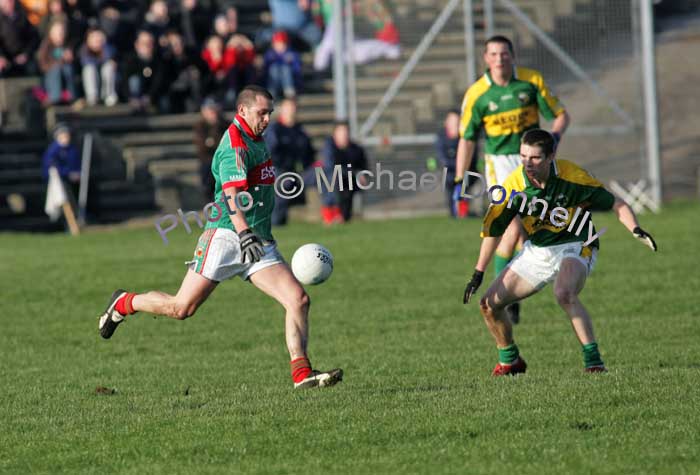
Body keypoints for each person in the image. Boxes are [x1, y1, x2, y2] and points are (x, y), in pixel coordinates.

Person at [97, 85, 343, 390]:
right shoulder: (235, 145)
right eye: (261, 112)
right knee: (181, 308)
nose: (267, 118)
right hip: (227, 237)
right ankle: (125, 302)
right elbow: (231, 196)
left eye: (270, 112)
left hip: (257, 240)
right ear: (242, 111)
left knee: (298, 299)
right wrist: (243, 234)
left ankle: (301, 373)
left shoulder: (256, 137)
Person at [462, 129, 658, 376]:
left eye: (534, 158)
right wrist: (478, 273)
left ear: (551, 156)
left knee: (564, 293)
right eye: (523, 156)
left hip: (576, 244)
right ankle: (510, 360)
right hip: (539, 250)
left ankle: (594, 363)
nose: (527, 164)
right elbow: (493, 230)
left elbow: (616, 203)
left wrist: (636, 229)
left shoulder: (571, 176)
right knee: (489, 305)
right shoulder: (514, 185)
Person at [455, 35, 571, 324]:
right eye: (493, 54)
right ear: (486, 58)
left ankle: (506, 296)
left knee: (519, 233)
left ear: (513, 55)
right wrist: (460, 176)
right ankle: (505, 298)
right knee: (512, 228)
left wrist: (552, 139)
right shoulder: (477, 94)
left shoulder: (531, 82)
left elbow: (560, 115)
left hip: (531, 162)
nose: (499, 59)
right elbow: (467, 139)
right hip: (499, 166)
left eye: (504, 53)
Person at [264, 97, 315, 225]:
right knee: (284, 183)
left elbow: (309, 154)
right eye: (288, 109)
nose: (292, 112)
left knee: (323, 176)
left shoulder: (300, 131)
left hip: (299, 172)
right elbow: (270, 155)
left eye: (294, 108)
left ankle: (332, 216)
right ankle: (277, 223)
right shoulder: (275, 130)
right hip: (278, 171)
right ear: (282, 111)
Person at [322, 121, 368, 223]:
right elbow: (330, 167)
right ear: (335, 134)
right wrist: (353, 173)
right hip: (329, 178)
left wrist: (361, 174)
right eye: (341, 133)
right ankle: (330, 216)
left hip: (349, 180)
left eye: (346, 133)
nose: (344, 136)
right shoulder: (329, 147)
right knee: (333, 180)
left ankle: (343, 217)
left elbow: (364, 167)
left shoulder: (355, 149)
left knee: (347, 187)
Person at [435, 109, 477, 218]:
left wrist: (462, 168)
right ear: (446, 123)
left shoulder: (465, 137)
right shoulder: (441, 137)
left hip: (466, 172)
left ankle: (464, 212)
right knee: (449, 183)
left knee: (465, 184)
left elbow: (472, 157)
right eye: (452, 121)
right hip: (449, 172)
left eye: (457, 122)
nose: (455, 124)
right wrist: (456, 164)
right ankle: (453, 212)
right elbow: (441, 157)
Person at [193, 96, 227, 199]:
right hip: (208, 163)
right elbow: (203, 147)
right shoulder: (200, 126)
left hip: (225, 163)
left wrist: (212, 141)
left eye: (215, 109)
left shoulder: (226, 125)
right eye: (210, 110)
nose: (214, 112)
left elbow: (227, 145)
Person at [36, 20, 76, 105]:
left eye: (62, 33)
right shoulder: (46, 45)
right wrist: (59, 61)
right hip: (50, 72)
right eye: (58, 33)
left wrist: (70, 58)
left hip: (64, 71)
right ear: (51, 34)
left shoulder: (67, 45)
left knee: (68, 69)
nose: (60, 35)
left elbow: (72, 60)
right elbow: (42, 62)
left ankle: (70, 95)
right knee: (56, 70)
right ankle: (54, 96)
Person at [79, 27, 118, 106]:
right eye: (93, 37)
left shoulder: (108, 48)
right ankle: (92, 97)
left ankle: (109, 95)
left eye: (99, 37)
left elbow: (110, 57)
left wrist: (102, 47)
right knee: (89, 69)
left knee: (109, 67)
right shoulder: (84, 49)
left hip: (106, 75)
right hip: (93, 76)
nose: (96, 40)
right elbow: (86, 62)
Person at [41, 122, 80, 198]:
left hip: (73, 182)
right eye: (63, 136)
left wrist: (77, 173)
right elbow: (51, 168)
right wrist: (68, 173)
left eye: (67, 136)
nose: (65, 138)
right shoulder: (53, 151)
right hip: (59, 181)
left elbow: (76, 163)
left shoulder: (72, 149)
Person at [263, 30, 301, 99]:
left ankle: (289, 90)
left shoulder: (292, 54)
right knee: (274, 68)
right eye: (277, 44)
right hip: (273, 81)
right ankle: (271, 91)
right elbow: (265, 69)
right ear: (273, 44)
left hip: (289, 81)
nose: (280, 46)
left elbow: (297, 69)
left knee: (285, 68)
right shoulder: (270, 54)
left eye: (282, 44)